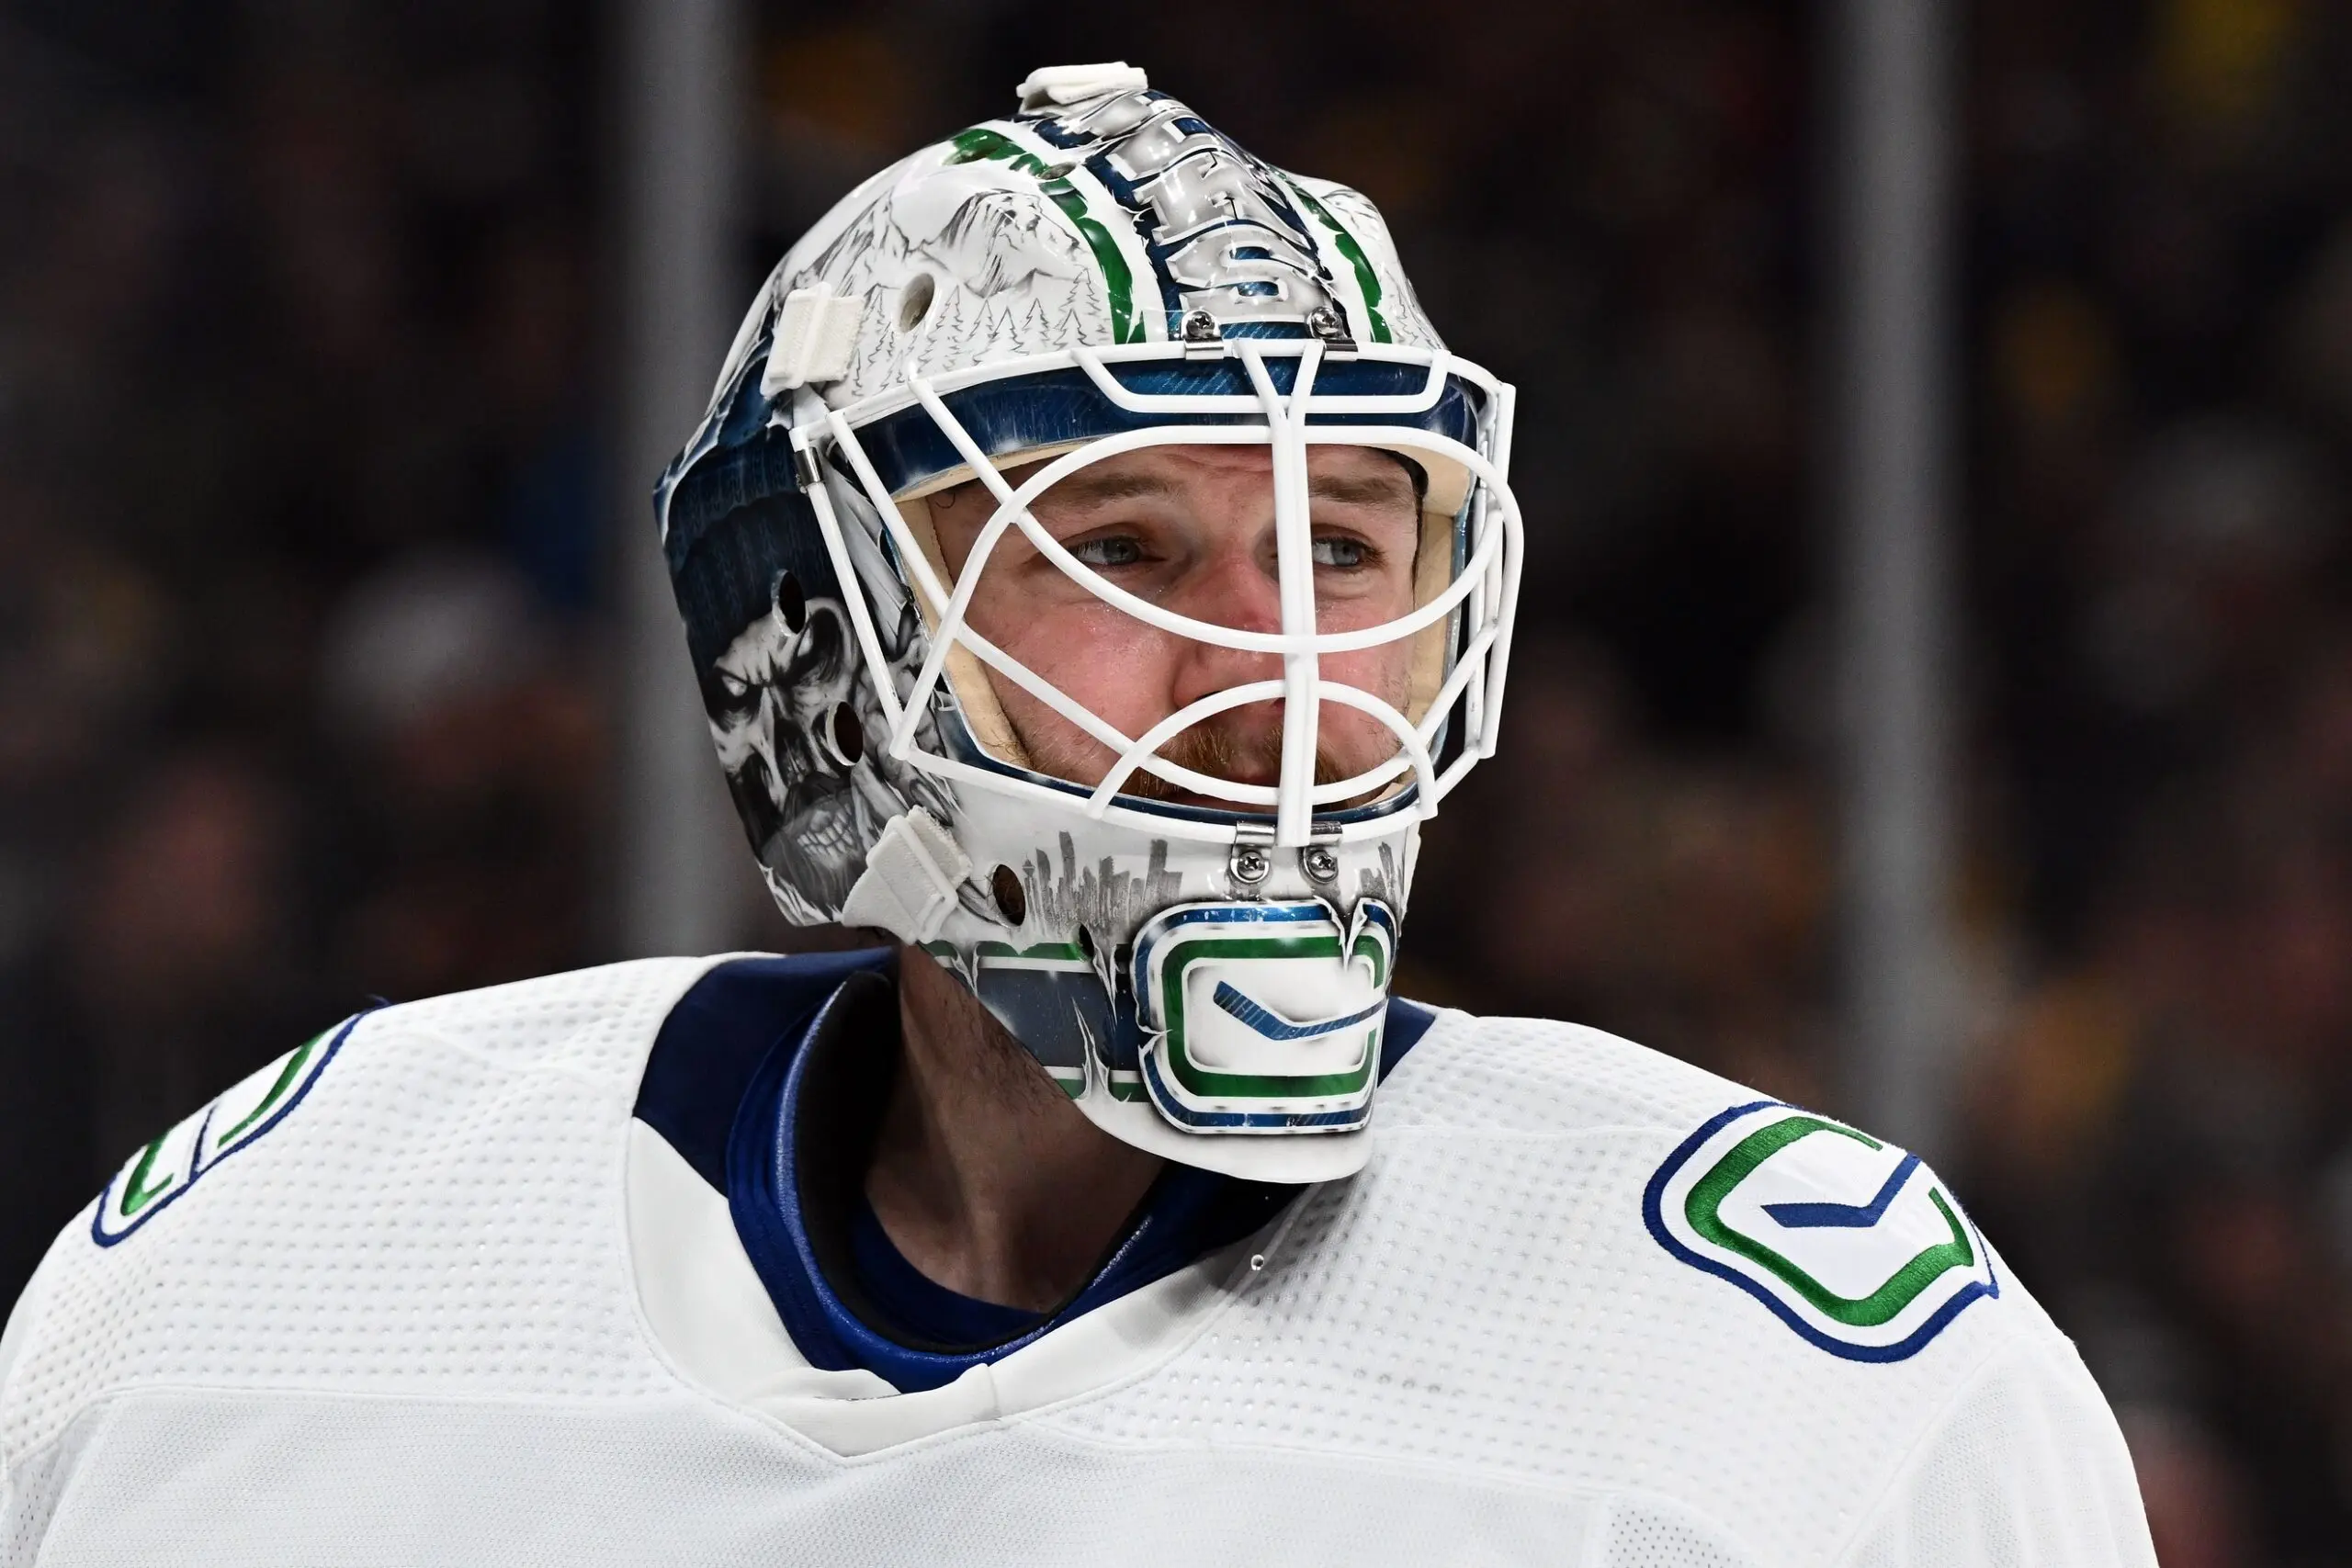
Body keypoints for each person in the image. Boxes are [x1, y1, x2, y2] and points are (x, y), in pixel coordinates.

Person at [0, 63, 2154, 1565]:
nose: (1272, 664)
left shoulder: (1791, 1374)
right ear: (825, 640)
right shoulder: (286, 1258)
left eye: (1347, 547)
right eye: (1119, 547)